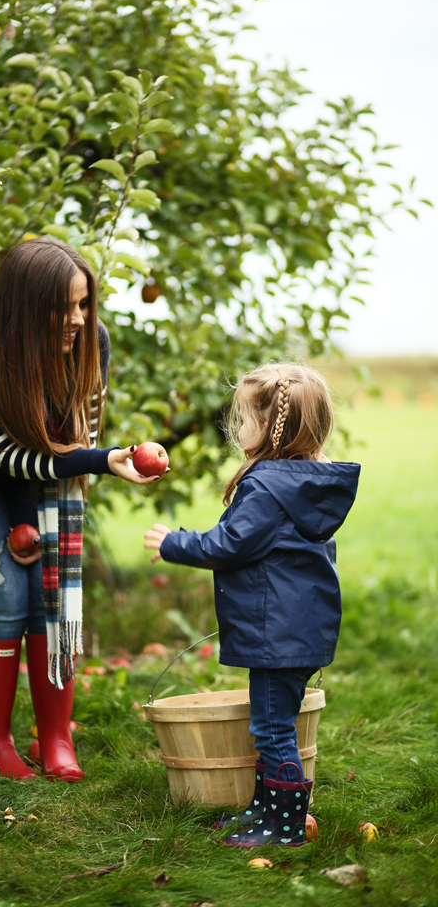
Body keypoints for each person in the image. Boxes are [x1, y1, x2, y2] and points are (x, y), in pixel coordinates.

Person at [0, 236, 161, 783]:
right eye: (63, 307)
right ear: (26, 306)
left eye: (83, 303)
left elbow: (77, 434)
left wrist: (36, 524)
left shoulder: (90, 340)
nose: (78, 319)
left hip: (43, 472)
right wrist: (102, 461)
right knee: (5, 594)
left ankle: (55, 738)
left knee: (49, 593)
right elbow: (9, 456)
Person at [144, 363, 360, 847]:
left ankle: (282, 827)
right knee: (271, 722)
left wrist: (174, 543)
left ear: (271, 429)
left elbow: (230, 544)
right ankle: (265, 810)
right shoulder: (306, 485)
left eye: (243, 419)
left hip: (277, 633)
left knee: (272, 727)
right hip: (299, 630)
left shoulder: (266, 488)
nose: (236, 428)